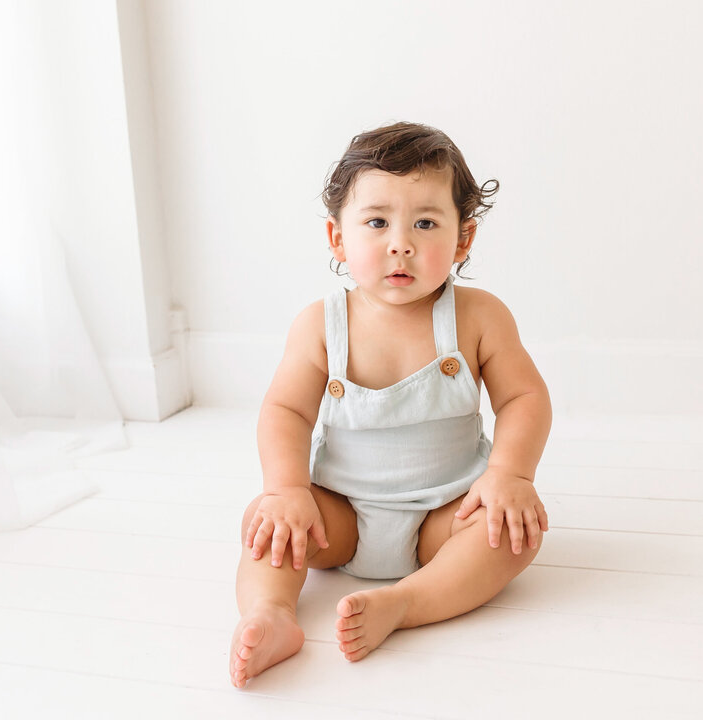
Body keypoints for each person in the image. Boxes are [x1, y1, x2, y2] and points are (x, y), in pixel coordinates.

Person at [229, 121, 551, 688]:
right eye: (377, 222)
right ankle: (271, 613)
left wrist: (509, 475)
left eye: (425, 223)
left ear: (462, 240)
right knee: (269, 526)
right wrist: (286, 489)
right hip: (340, 514)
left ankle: (406, 604)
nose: (400, 242)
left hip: (445, 513)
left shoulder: (478, 318)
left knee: (510, 536)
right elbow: (286, 411)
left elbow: (524, 396)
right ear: (337, 238)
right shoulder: (321, 326)